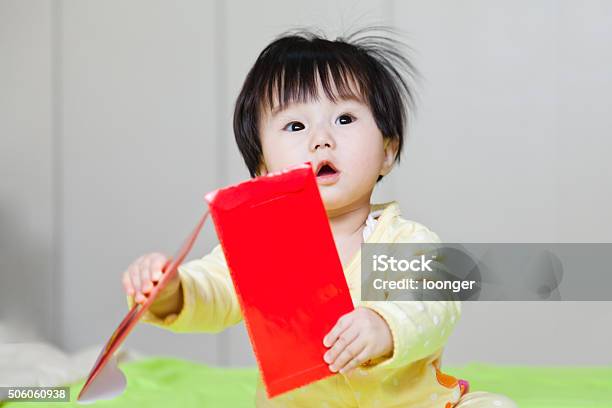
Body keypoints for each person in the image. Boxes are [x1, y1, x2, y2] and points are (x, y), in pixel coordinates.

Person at [122, 27, 517, 408]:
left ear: (388, 150)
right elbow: (216, 289)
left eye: (345, 119)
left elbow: (434, 303)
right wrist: (173, 289)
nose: (321, 138)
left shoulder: (402, 240)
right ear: (263, 168)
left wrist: (384, 324)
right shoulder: (261, 247)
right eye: (295, 125)